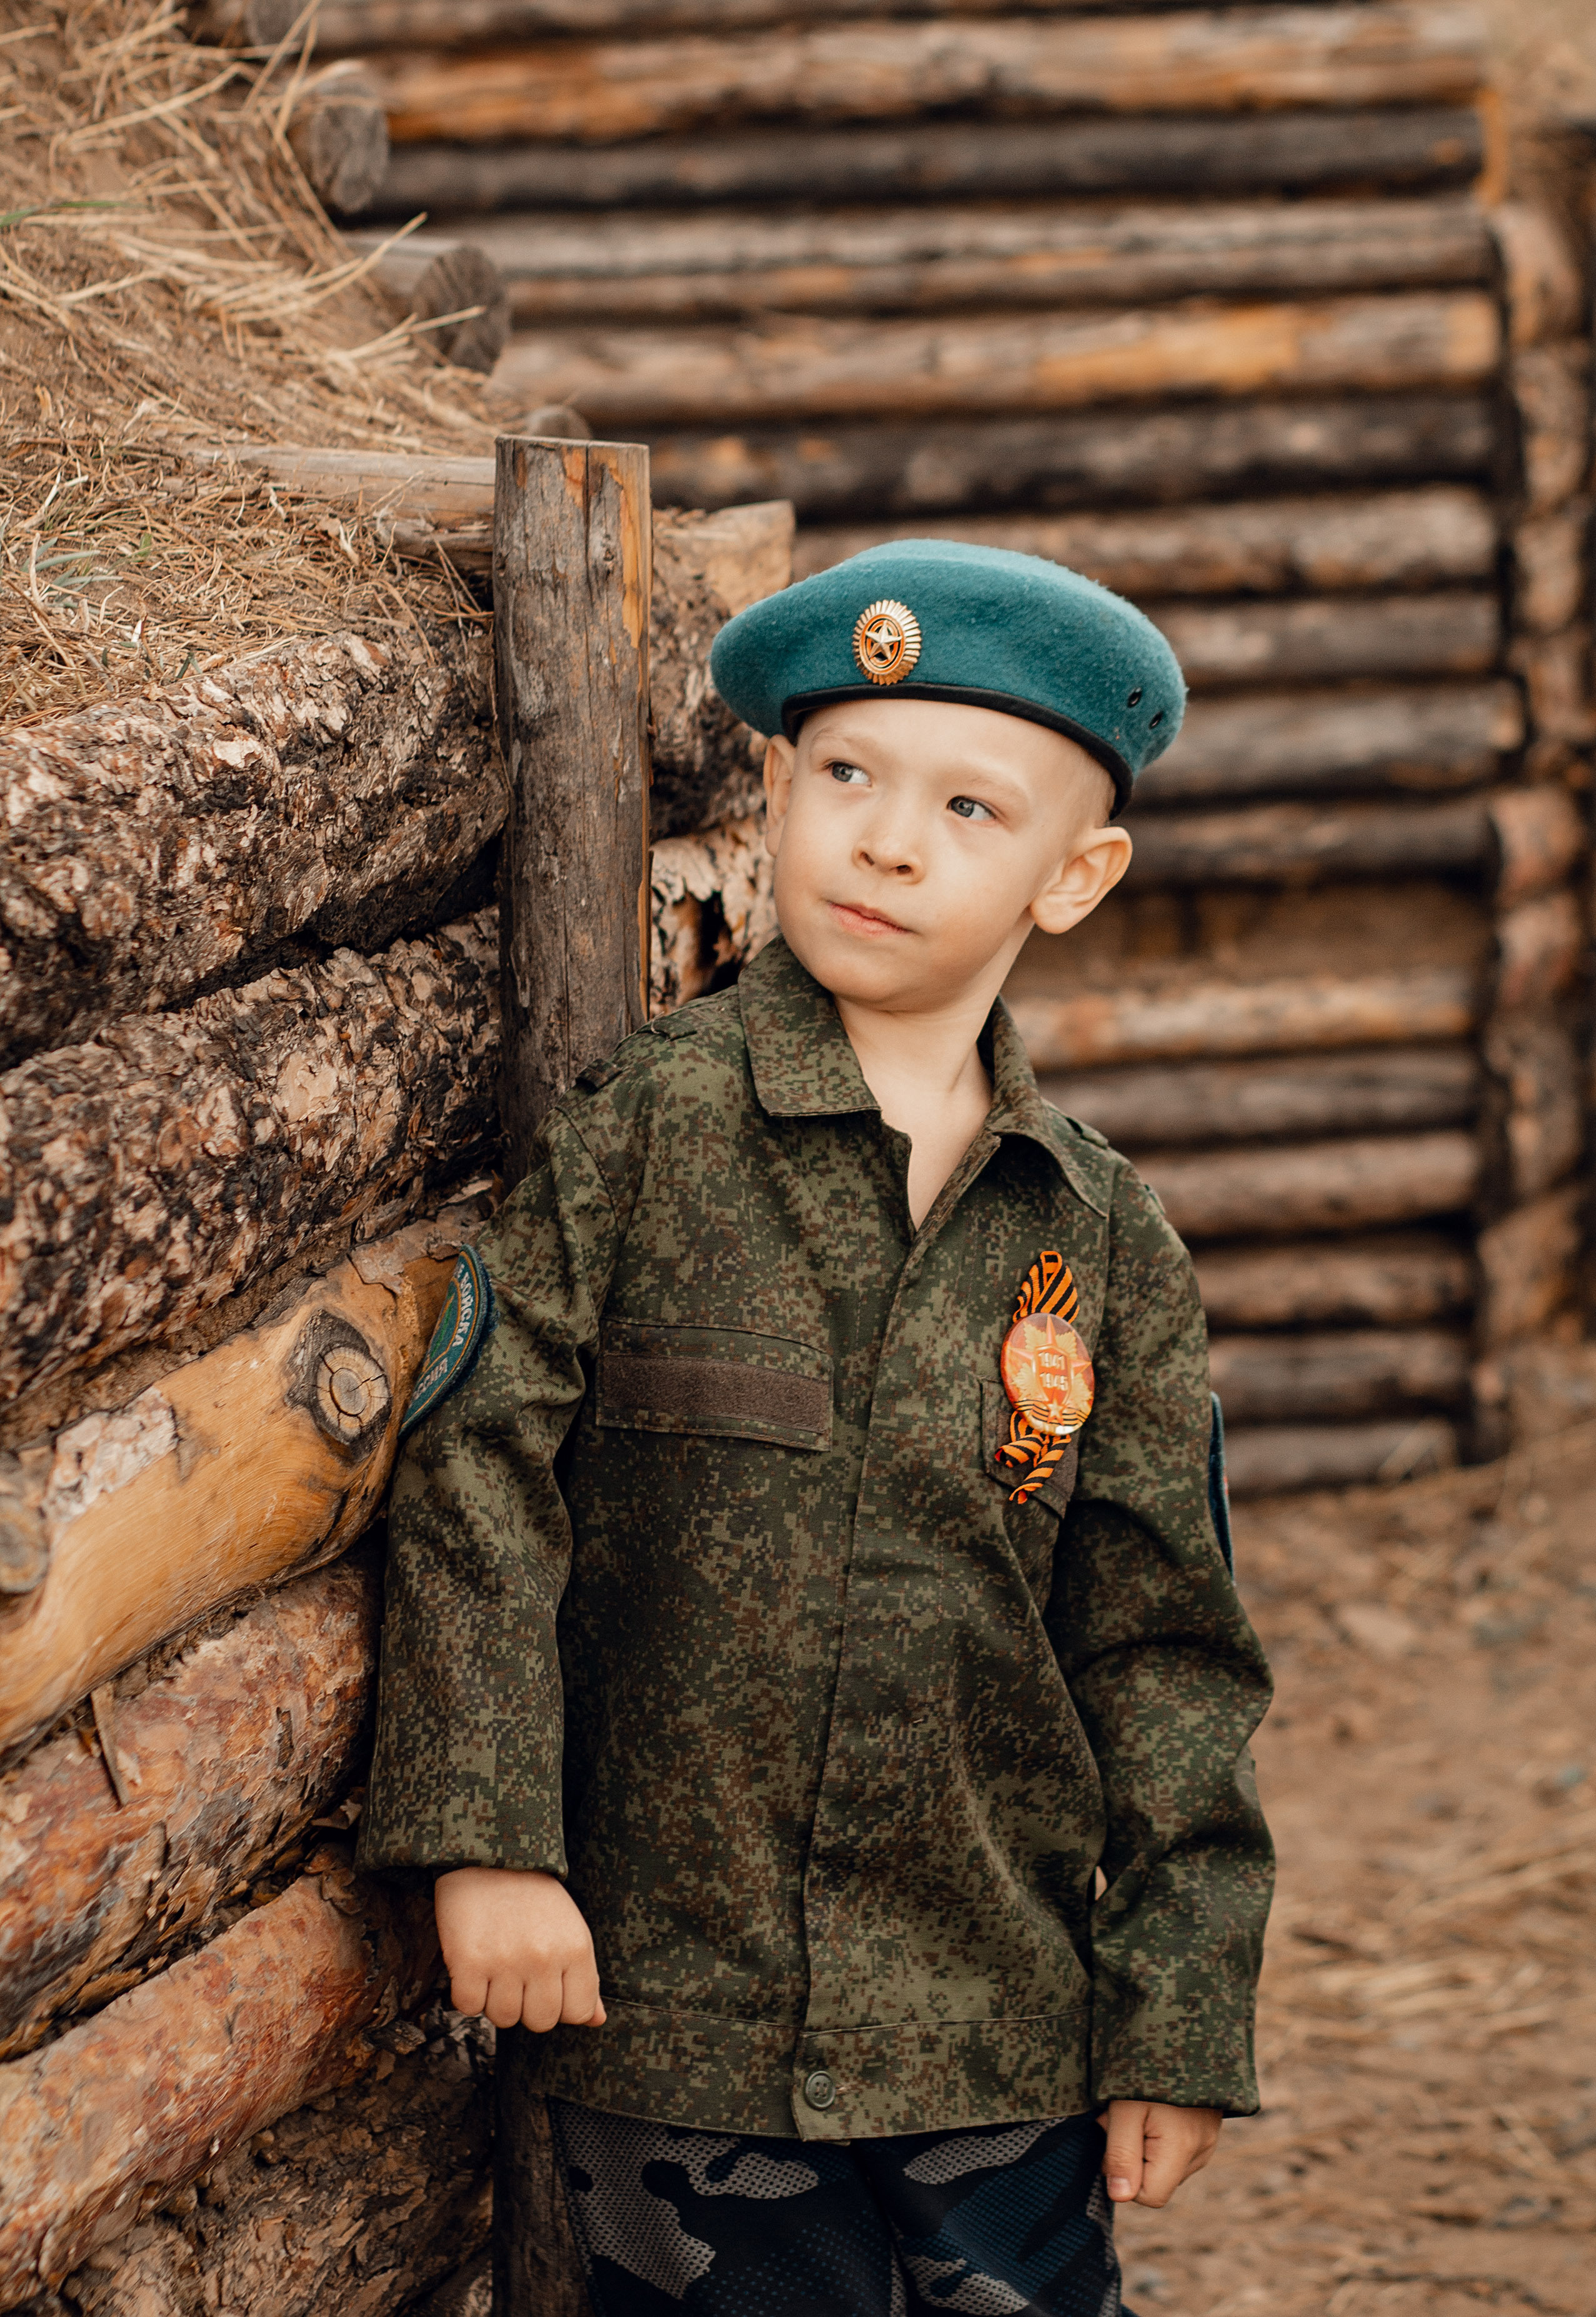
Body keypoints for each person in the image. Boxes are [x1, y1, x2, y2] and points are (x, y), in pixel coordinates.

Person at [358, 540, 1275, 2316]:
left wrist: (1173, 2004)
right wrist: (490, 1838)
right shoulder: (651, 1135)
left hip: (995, 2012)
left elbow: (1167, 1648)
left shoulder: (1098, 1238)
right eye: (844, 774)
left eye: (966, 806)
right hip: (678, 2028)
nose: (887, 837)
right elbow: (484, 1472)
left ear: (1072, 877)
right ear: (772, 790)